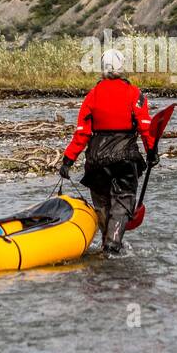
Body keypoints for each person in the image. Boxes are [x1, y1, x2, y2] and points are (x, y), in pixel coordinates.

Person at [59, 49, 158, 255]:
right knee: (123, 199)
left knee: (102, 203)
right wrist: (152, 151)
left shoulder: (92, 95)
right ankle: (112, 248)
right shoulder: (135, 94)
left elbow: (82, 133)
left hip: (96, 159)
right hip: (125, 157)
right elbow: (146, 126)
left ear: (103, 69)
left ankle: (106, 246)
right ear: (123, 68)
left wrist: (68, 160)